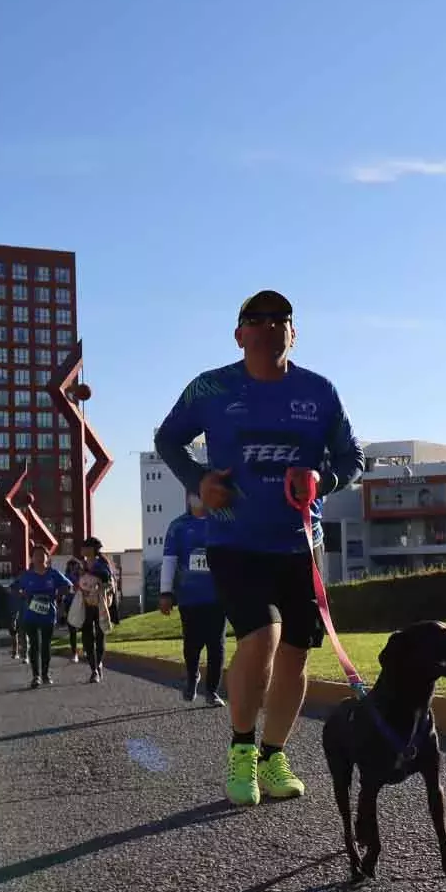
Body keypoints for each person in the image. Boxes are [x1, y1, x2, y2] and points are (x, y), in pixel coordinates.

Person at [153, 288, 365, 807]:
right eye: (257, 318)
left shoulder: (320, 393)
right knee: (263, 635)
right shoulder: (212, 387)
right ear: (239, 333)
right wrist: (199, 480)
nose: (270, 325)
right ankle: (241, 750)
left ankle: (273, 756)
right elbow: (167, 439)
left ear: (293, 333)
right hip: (234, 539)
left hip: (297, 544)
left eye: (281, 319)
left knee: (295, 652)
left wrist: (325, 476)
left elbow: (353, 456)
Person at [159, 494, 228, 707]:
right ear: (189, 498)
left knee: (216, 644)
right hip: (189, 596)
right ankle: (192, 676)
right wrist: (165, 593)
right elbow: (169, 561)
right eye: (196, 494)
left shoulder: (222, 521)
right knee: (192, 643)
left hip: (218, 595)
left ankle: (212, 691)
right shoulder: (178, 526)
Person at [13, 546, 71, 688]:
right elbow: (13, 587)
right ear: (31, 558)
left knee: (45, 646)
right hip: (30, 615)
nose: (39, 558)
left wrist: (58, 596)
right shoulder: (27, 576)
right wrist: (23, 595)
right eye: (36, 555)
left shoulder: (53, 574)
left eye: (42, 555)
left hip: (48, 614)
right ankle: (36, 676)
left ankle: (45, 674)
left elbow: (68, 586)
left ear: (47, 558)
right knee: (34, 645)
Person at [72, 537, 114, 683]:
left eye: (85, 547)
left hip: (99, 605)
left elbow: (108, 581)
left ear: (92, 549)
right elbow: (75, 582)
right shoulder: (81, 565)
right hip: (85, 605)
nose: (82, 549)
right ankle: (94, 669)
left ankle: (99, 663)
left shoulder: (102, 564)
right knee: (87, 637)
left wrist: (93, 579)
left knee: (100, 635)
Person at [61, 552, 85, 664]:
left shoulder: (82, 576)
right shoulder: (65, 577)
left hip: (81, 604)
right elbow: (63, 591)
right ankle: (74, 653)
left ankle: (85, 649)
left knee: (85, 627)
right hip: (70, 604)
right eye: (71, 566)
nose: (73, 568)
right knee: (72, 630)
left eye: (75, 566)